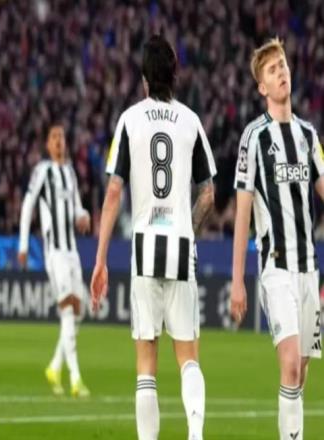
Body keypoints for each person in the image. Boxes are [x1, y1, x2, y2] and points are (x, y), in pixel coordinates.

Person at [91, 34, 216, 440]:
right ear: (175, 73)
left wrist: (100, 259)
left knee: (146, 364)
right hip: (180, 243)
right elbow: (208, 194)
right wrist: (189, 230)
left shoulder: (130, 120)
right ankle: (195, 434)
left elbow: (114, 192)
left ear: (144, 77)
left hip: (144, 245)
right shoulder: (191, 121)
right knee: (188, 355)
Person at [231, 37, 323, 440]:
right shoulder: (254, 138)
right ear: (262, 88)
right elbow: (243, 211)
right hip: (276, 268)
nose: (281, 72)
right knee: (288, 365)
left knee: (300, 372)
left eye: (283, 64)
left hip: (309, 270)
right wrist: (237, 279)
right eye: (272, 70)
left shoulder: (308, 135)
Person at [18, 123, 91, 397]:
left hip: (72, 250)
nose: (59, 140)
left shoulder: (70, 172)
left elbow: (77, 207)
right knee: (68, 309)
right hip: (55, 252)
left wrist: (83, 216)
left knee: (79, 311)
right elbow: (28, 205)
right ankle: (75, 378)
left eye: (62, 136)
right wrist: (23, 244)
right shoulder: (42, 171)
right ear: (48, 145)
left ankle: (55, 366)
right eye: (54, 137)